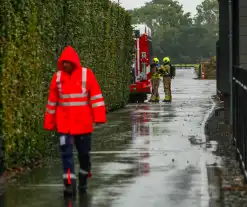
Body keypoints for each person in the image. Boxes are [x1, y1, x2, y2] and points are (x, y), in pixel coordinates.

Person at [44, 46, 106, 195]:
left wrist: (99, 117)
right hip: (64, 126)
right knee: (66, 155)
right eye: (63, 62)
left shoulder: (87, 75)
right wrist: (50, 122)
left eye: (67, 62)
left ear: (73, 62)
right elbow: (52, 102)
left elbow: (96, 97)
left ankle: (83, 178)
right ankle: (69, 185)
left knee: (84, 155)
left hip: (83, 125)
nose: (64, 65)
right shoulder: (58, 78)